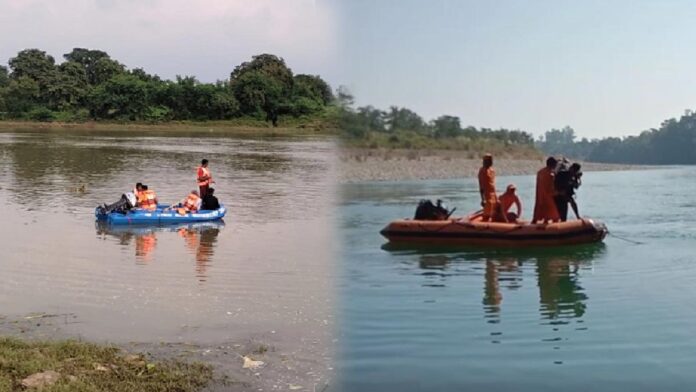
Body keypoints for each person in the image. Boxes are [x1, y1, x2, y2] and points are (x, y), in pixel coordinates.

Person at [532, 157, 561, 224]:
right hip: (548, 197)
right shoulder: (551, 174)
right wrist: (558, 193)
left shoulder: (540, 172)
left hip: (540, 197)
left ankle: (534, 224)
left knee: (539, 213)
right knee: (555, 217)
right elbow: (550, 187)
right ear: (553, 164)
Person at [477, 154, 498, 222]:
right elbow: (481, 186)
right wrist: (483, 199)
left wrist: (496, 197)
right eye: (487, 160)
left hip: (493, 195)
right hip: (487, 196)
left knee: (494, 214)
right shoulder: (482, 171)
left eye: (490, 160)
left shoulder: (492, 170)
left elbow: (493, 185)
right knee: (486, 215)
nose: (490, 162)